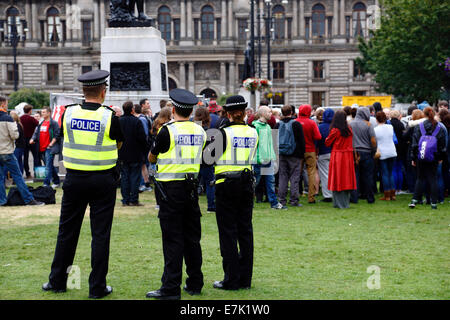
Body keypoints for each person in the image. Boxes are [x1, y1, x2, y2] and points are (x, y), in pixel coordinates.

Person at [42, 70, 123, 299]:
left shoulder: (67, 114)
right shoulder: (109, 116)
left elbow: (67, 137)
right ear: (103, 91)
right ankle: (97, 287)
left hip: (74, 178)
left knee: (67, 231)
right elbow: (118, 144)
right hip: (102, 179)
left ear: (83, 91)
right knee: (100, 235)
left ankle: (57, 281)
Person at [146, 88, 206, 300]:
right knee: (192, 237)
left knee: (172, 239)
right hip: (191, 188)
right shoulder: (200, 131)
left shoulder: (167, 131)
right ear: (190, 110)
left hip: (170, 189)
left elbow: (152, 158)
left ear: (173, 109)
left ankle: (170, 287)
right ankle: (195, 282)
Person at [212, 95, 258, 291]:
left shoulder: (223, 133)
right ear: (245, 112)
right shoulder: (253, 131)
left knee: (228, 233)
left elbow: (207, 158)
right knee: (245, 231)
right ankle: (245, 279)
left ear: (228, 114)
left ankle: (231, 278)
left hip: (226, 183)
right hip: (246, 182)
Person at [0, 96, 44, 206]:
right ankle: (28, 199)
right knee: (18, 176)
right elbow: (15, 135)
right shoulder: (7, 118)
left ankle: (2, 200)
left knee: (0, 178)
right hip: (7, 151)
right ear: (3, 104)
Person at [409, 107, 447, 209]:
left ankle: (414, 200)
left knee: (420, 178)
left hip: (420, 155)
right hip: (434, 156)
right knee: (433, 178)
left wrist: (413, 157)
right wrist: (441, 157)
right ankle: (433, 202)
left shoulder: (419, 127)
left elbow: (415, 143)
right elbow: (442, 145)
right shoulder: (439, 127)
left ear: (424, 114)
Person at [253, 105, 285, 210]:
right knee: (254, 183)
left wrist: (272, 156)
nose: (271, 114)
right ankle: (245, 202)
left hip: (268, 159)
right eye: (269, 112)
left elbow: (269, 144)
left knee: (270, 183)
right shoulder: (255, 126)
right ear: (262, 114)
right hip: (258, 160)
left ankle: (274, 203)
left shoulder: (267, 126)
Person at [325, 110, 357, 209]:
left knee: (337, 178)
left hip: (338, 155)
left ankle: (338, 203)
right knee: (346, 179)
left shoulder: (335, 130)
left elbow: (327, 142)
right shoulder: (349, 129)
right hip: (348, 156)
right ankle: (344, 202)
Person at [275, 105, 305, 207]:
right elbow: (301, 141)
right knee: (294, 178)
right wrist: (302, 154)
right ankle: (294, 200)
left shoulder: (278, 124)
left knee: (282, 177)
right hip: (295, 154)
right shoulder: (296, 124)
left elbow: (273, 140)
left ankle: (281, 200)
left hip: (282, 153)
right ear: (291, 112)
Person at [118, 101, 148, 206]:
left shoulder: (119, 121)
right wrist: (144, 151)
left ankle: (125, 199)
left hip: (122, 153)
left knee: (125, 177)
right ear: (132, 110)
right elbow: (142, 138)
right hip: (135, 153)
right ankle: (133, 199)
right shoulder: (136, 121)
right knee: (135, 177)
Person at [349, 107, 377, 204]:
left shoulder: (350, 124)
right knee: (368, 176)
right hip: (367, 152)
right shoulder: (368, 125)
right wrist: (374, 151)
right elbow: (373, 140)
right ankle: (370, 197)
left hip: (354, 152)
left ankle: (354, 197)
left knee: (354, 176)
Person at [296, 104, 322, 203]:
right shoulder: (312, 123)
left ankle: (295, 195)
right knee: (311, 173)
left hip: (298, 151)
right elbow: (318, 137)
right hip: (310, 150)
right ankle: (311, 197)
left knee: (296, 173)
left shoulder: (295, 122)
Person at [30, 106, 61, 188]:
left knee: (47, 167)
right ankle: (57, 181)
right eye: (42, 112)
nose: (42, 114)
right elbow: (36, 133)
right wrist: (32, 139)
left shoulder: (53, 123)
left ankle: (46, 184)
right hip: (41, 148)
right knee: (49, 165)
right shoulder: (41, 123)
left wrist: (51, 143)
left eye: (44, 112)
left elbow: (57, 134)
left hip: (49, 148)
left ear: (49, 113)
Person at [194, 107, 216, 212]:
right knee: (210, 184)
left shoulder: (193, 131)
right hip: (207, 160)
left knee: (193, 184)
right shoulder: (209, 132)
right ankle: (211, 206)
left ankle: (193, 206)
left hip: (195, 160)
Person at [374, 111, 397, 201]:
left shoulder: (375, 129)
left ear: (377, 119)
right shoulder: (390, 127)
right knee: (390, 173)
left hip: (383, 152)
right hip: (392, 151)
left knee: (384, 174)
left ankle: (387, 195)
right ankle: (393, 194)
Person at [317, 108, 335, 202]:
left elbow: (317, 140)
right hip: (335, 153)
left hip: (323, 152)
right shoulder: (336, 126)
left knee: (325, 175)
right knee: (335, 174)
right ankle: (336, 193)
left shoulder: (320, 127)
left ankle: (328, 195)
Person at [134, 104, 152, 193]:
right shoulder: (143, 118)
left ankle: (145, 183)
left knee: (144, 165)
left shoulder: (141, 119)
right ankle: (145, 183)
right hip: (144, 146)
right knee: (144, 165)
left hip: (143, 147)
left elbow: (145, 134)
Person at [20, 104, 40, 178]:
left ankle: (27, 173)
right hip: (32, 139)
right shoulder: (31, 119)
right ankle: (36, 173)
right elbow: (38, 124)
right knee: (35, 156)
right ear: (30, 111)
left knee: (25, 157)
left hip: (23, 140)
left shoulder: (20, 118)